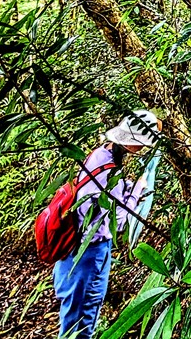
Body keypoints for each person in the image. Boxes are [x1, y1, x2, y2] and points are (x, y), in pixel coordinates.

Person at [53, 110, 162, 339]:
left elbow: (97, 195)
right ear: (132, 143)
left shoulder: (99, 155)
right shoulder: (110, 169)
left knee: (74, 315)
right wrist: (138, 191)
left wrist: (127, 189)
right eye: (141, 144)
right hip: (88, 252)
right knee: (82, 322)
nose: (142, 149)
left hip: (72, 247)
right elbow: (119, 221)